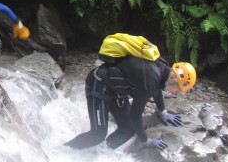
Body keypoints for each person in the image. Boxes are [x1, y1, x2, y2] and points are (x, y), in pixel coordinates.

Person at [65, 56, 196, 150]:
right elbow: (135, 117)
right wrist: (146, 141)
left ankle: (100, 153)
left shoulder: (162, 68)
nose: (178, 92)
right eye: (179, 88)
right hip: (99, 83)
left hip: (116, 91)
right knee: (98, 134)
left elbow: (157, 89)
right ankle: (65, 151)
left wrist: (162, 111)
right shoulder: (150, 81)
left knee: (128, 129)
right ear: (173, 78)